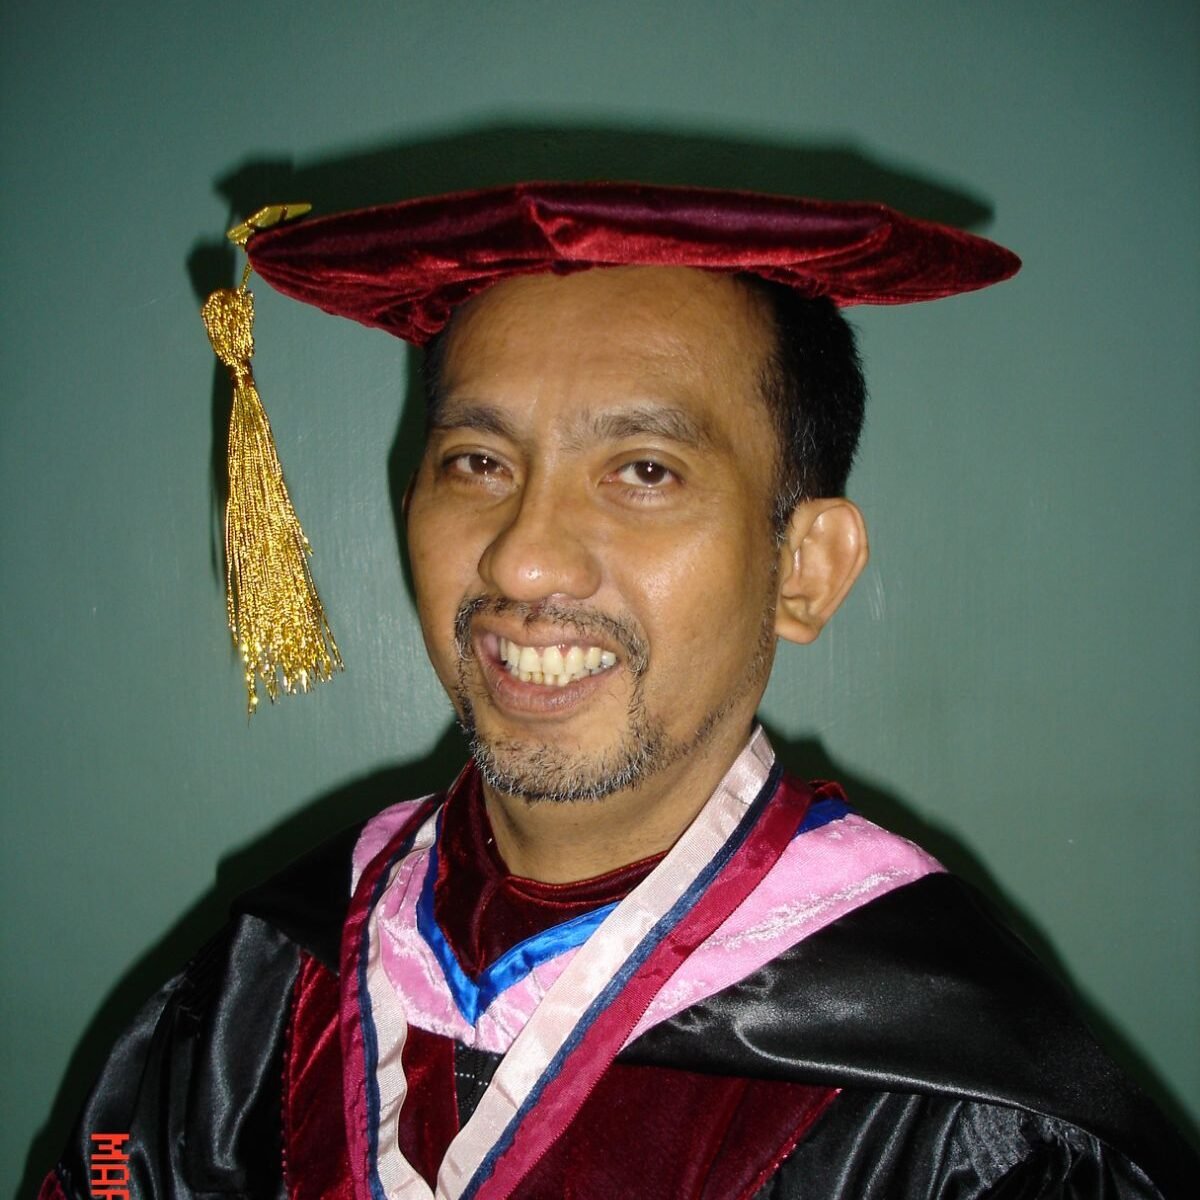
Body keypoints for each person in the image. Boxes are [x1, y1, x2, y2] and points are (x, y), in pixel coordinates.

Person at [40, 183, 1195, 1199]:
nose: (524, 560)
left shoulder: (972, 1114)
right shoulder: (266, 977)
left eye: (644, 470)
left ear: (804, 568)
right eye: (478, 464)